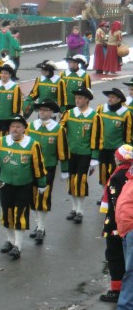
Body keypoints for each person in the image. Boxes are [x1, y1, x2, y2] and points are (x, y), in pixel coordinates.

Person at [0, 115, 47, 260]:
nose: (15, 129)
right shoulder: (1, 141)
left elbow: (38, 166)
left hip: (24, 185)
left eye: (18, 126)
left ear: (24, 128)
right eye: (13, 126)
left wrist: (42, 183)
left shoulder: (32, 144)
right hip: (5, 184)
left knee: (20, 214)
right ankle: (10, 240)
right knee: (6, 212)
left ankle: (18, 246)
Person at [27, 101, 67, 244]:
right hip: (30, 167)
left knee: (43, 197)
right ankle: (38, 224)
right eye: (40, 110)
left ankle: (41, 228)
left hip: (48, 167)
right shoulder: (30, 127)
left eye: (46, 110)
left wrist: (64, 169)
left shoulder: (57, 129)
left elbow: (62, 151)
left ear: (52, 112)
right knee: (32, 197)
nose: (42, 112)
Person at [99, 145, 133, 304]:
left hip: (117, 223)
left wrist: (113, 224)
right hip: (125, 223)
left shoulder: (118, 176)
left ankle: (117, 290)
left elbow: (116, 203)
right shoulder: (128, 173)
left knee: (114, 255)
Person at [60, 87, 99, 224]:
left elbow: (96, 137)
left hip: (85, 153)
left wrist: (94, 157)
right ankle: (73, 208)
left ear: (87, 99)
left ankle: (80, 210)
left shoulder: (94, 116)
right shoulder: (69, 113)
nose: (77, 100)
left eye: (80, 98)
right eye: (76, 98)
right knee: (71, 180)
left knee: (80, 181)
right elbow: (60, 131)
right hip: (71, 152)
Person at [93, 88, 133, 187]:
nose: (109, 99)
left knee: (115, 173)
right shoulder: (101, 109)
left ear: (119, 99)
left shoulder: (126, 113)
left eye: (112, 97)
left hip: (116, 149)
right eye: (109, 97)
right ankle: (104, 196)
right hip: (103, 147)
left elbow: (127, 133)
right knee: (103, 173)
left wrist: (127, 150)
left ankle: (113, 196)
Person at [0, 63, 22, 137]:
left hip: (8, 118)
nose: (3, 75)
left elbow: (17, 104)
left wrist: (15, 116)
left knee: (5, 137)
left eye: (5, 73)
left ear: (10, 75)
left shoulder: (14, 87)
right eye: (2, 73)